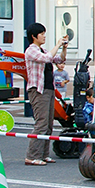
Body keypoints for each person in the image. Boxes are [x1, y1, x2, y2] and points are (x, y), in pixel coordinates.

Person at [24, 22, 68, 166]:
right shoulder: (31, 50)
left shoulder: (43, 50)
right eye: (42, 34)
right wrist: (57, 44)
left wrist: (64, 48)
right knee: (41, 123)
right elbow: (47, 58)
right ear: (33, 36)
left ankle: (43, 155)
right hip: (38, 90)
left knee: (48, 124)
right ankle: (32, 156)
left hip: (48, 90)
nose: (44, 36)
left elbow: (59, 60)